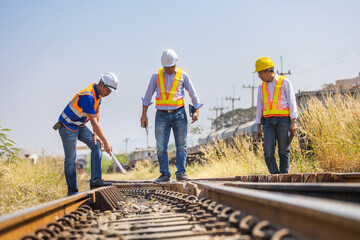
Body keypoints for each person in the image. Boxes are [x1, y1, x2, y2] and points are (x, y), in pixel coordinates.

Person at [140, 49, 203, 182]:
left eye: (172, 67)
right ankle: (164, 174)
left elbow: (193, 93)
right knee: (161, 146)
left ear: (176, 63)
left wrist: (196, 110)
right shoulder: (155, 76)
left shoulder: (183, 75)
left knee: (181, 145)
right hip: (161, 115)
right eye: (167, 67)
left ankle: (180, 172)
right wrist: (143, 115)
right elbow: (147, 97)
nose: (169, 70)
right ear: (163, 65)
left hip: (179, 114)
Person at [56, 72, 119, 196]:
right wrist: (106, 142)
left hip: (79, 125)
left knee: (96, 145)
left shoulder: (98, 95)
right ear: (101, 84)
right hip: (67, 126)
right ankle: (72, 192)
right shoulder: (88, 96)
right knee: (71, 160)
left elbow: (97, 114)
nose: (109, 93)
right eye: (108, 90)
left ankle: (95, 180)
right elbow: (94, 122)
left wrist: (95, 134)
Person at [254, 57, 298, 174]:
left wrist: (294, 122)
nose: (259, 76)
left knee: (284, 150)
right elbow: (259, 107)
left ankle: (283, 177)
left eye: (260, 73)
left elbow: (292, 101)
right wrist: (258, 127)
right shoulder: (261, 87)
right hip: (268, 122)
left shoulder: (285, 82)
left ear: (268, 71)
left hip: (283, 121)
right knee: (268, 151)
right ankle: (275, 176)